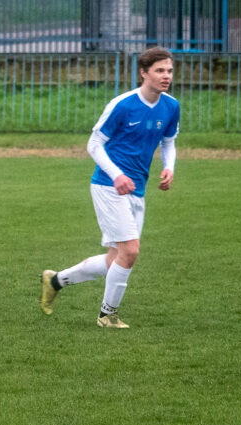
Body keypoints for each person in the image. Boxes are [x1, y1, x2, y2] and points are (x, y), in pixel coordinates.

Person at [40, 47, 179, 329]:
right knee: (131, 251)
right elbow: (94, 144)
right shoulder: (123, 105)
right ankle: (107, 315)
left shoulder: (171, 106)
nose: (166, 76)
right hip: (108, 186)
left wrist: (169, 167)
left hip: (136, 189)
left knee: (116, 258)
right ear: (144, 73)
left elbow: (168, 142)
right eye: (159, 71)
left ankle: (55, 281)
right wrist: (117, 175)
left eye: (169, 71)